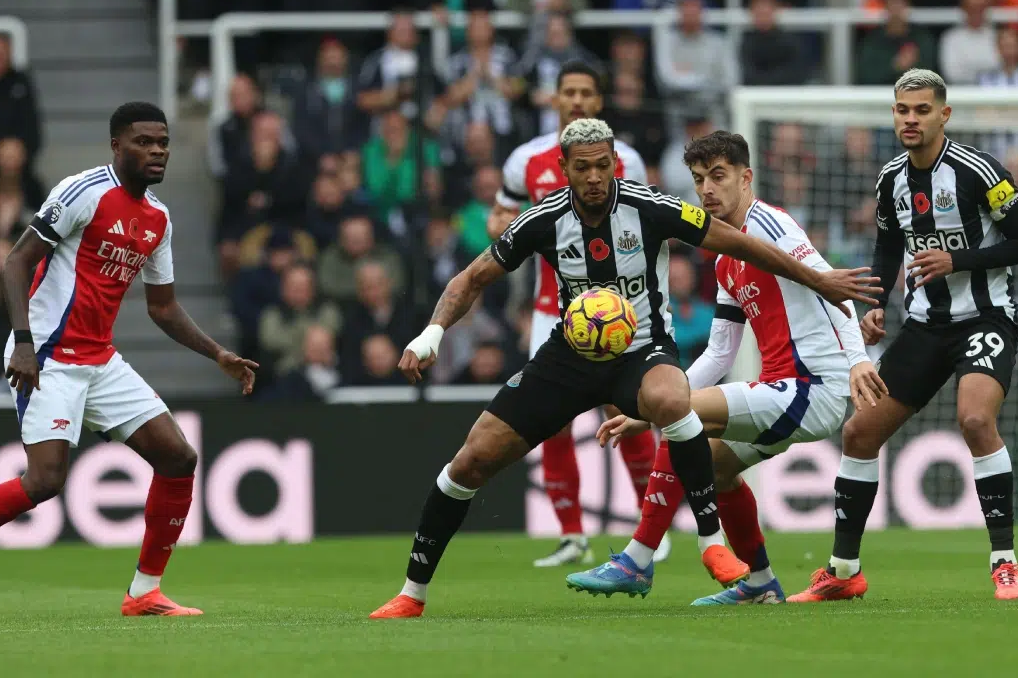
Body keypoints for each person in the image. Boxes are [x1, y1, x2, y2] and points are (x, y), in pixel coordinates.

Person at [369, 117, 882, 619]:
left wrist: (826, 290)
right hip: (569, 357)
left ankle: (678, 551)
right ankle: (412, 592)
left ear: (616, 164)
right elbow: (472, 277)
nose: (594, 177)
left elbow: (742, 243)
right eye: (582, 168)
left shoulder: (653, 207)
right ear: (564, 169)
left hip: (644, 352)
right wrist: (433, 332)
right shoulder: (541, 220)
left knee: (678, 408)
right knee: (472, 459)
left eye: (603, 166)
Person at [0, 102, 259, 618]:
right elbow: (15, 260)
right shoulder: (83, 192)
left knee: (179, 457)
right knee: (45, 481)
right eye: (143, 141)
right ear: (117, 145)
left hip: (99, 357)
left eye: (162, 143)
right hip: (46, 353)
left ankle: (144, 593)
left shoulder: (158, 218)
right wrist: (23, 341)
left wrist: (217, 352)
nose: (156, 150)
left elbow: (163, 307)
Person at [564, 130, 884, 604]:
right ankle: (759, 584)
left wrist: (858, 361)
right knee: (712, 467)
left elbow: (829, 288)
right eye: (698, 180)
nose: (708, 190)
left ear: (745, 177)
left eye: (718, 176)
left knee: (681, 420)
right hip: (782, 389)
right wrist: (646, 412)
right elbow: (718, 353)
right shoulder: (725, 261)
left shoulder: (772, 228)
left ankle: (636, 559)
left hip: (814, 386)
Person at [788, 69, 1018, 603]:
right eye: (902, 109)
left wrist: (958, 259)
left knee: (974, 419)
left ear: (943, 115)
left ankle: (1004, 563)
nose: (910, 118)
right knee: (859, 433)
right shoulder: (890, 179)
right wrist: (877, 305)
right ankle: (842, 570)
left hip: (985, 318)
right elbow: (887, 249)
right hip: (925, 326)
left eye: (921, 110)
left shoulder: (980, 171)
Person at [487, 60, 665, 568]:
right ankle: (571, 534)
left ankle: (647, 525)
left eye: (587, 92)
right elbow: (501, 218)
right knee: (552, 423)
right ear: (556, 99)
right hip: (552, 309)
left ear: (599, 100)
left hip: (619, 309)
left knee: (624, 411)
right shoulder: (526, 160)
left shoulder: (623, 156)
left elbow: (642, 221)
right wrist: (501, 225)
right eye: (570, 92)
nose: (578, 101)